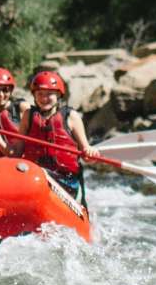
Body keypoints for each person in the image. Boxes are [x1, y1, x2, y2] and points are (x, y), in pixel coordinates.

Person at [18, 70, 100, 199]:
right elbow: (16, 152)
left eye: (49, 94)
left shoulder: (71, 116)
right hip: (34, 178)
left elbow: (86, 156)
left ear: (58, 95)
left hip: (66, 181)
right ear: (34, 95)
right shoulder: (28, 116)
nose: (44, 98)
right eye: (40, 94)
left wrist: (91, 153)